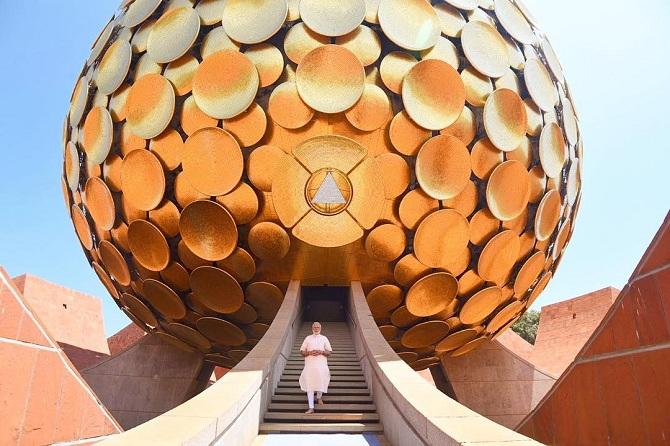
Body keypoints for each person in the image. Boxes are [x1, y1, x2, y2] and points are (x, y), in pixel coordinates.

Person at [299, 321, 333, 414]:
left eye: (318, 327)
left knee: (321, 382)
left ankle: (319, 397)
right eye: (314, 327)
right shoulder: (307, 338)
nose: (316, 329)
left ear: (320, 328)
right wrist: (310, 352)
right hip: (310, 366)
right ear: (312, 328)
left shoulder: (324, 338)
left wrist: (321, 352)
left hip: (321, 366)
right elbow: (302, 351)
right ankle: (311, 408)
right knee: (310, 385)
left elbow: (329, 352)